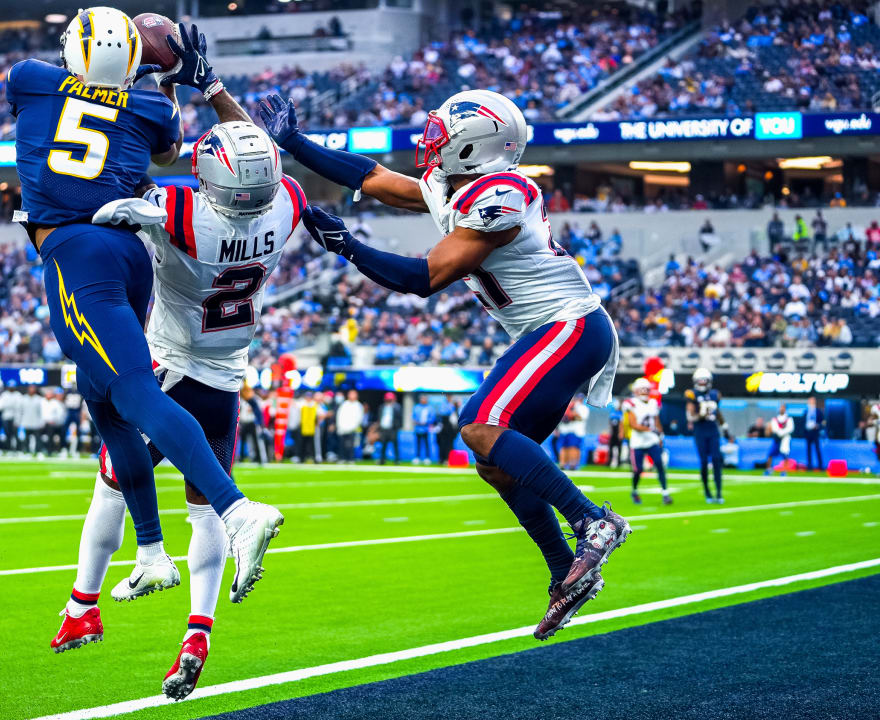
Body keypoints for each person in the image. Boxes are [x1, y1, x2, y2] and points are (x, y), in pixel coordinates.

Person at [259, 88, 628, 641]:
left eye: (443, 135)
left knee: (481, 426)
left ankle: (593, 521)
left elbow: (424, 279)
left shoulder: (504, 194)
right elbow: (373, 177)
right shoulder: (456, 185)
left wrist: (348, 245)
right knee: (497, 464)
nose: (430, 143)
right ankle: (565, 574)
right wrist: (294, 144)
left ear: (476, 147)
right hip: (544, 331)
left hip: (569, 325)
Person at [10, 7, 282, 611]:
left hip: (78, 253)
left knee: (133, 393)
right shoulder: (157, 110)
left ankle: (238, 511)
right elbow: (167, 151)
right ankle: (149, 557)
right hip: (131, 254)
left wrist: (135, 73)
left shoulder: (27, 77)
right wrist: (173, 77)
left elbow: (69, 101)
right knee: (103, 398)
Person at [51, 129, 300, 701]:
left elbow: (114, 200)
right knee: (204, 508)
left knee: (113, 482)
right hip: (227, 376)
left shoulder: (182, 211)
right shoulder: (286, 201)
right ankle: (197, 636)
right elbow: (266, 166)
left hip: (173, 366)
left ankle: (84, 602)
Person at [624, 379, 671, 505]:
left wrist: (660, 435)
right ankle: (634, 490)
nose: (644, 391)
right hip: (637, 442)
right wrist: (651, 430)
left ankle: (665, 493)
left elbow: (656, 421)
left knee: (660, 465)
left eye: (646, 389)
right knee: (638, 470)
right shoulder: (631, 403)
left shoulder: (653, 403)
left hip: (652, 440)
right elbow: (633, 425)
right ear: (635, 390)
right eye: (642, 389)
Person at [685, 368, 725, 503]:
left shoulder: (715, 394)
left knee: (716, 460)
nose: (702, 384)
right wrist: (700, 415)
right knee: (703, 462)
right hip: (700, 431)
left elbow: (717, 412)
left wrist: (724, 427)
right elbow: (690, 416)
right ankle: (707, 492)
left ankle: (719, 492)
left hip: (713, 429)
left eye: (704, 381)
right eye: (700, 381)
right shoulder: (692, 394)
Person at [556, 396, 589, 470]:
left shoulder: (581, 407)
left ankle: (572, 464)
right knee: (565, 447)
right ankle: (564, 464)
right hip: (566, 430)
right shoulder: (569, 405)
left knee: (573, 447)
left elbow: (580, 417)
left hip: (575, 431)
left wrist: (571, 413)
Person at [336, 389, 365, 463]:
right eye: (350, 394)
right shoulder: (344, 404)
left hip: (353, 429)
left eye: (353, 394)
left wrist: (353, 427)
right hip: (343, 428)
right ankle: (342, 458)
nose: (352, 396)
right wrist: (340, 427)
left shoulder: (358, 405)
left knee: (351, 445)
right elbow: (339, 416)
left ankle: (351, 459)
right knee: (342, 445)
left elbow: (359, 417)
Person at [766, 404, 794, 476]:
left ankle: (784, 471)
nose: (781, 409)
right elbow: (774, 428)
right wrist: (779, 433)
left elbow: (790, 429)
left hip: (785, 439)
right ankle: (768, 470)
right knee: (770, 454)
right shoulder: (775, 419)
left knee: (785, 455)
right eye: (780, 407)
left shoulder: (789, 419)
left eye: (783, 408)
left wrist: (782, 432)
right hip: (777, 439)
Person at [376, 392, 400, 464]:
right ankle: (382, 460)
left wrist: (397, 427)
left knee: (395, 445)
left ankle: (397, 460)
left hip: (393, 428)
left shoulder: (396, 407)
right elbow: (379, 417)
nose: (389, 400)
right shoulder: (382, 407)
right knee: (383, 445)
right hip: (384, 428)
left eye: (390, 399)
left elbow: (399, 418)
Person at [804, 396, 825, 471]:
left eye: (812, 401)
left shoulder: (818, 411)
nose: (811, 402)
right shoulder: (806, 411)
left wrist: (818, 425)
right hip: (808, 433)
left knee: (817, 449)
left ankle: (820, 466)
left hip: (815, 433)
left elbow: (823, 422)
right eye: (810, 401)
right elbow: (803, 422)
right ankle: (809, 466)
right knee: (808, 450)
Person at [412, 394, 433, 464]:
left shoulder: (429, 408)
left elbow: (432, 418)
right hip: (418, 429)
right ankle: (417, 457)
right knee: (418, 444)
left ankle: (427, 458)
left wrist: (425, 422)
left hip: (426, 429)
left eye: (424, 399)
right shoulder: (416, 407)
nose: (423, 400)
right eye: (422, 399)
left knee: (426, 444)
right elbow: (413, 417)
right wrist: (417, 422)